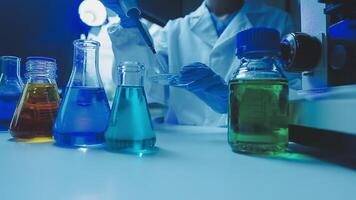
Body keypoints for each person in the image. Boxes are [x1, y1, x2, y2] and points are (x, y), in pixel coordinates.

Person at [105, 0, 296, 126]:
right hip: (184, 148)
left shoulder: (277, 21)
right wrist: (130, 32)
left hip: (251, 138)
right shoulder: (175, 30)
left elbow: (293, 95)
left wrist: (236, 104)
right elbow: (143, 86)